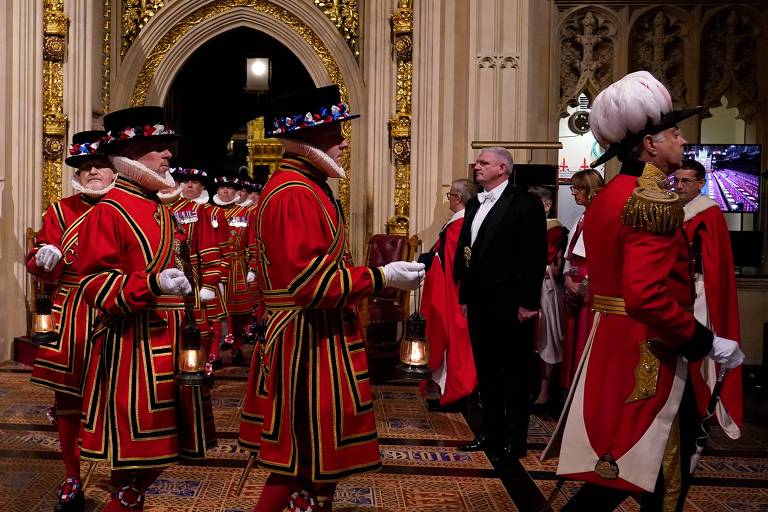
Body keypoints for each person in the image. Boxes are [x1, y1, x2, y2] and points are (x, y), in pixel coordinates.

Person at [542, 71, 744, 512]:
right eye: (673, 132)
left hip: (610, 344)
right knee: (663, 472)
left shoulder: (612, 193)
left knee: (619, 470)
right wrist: (706, 341)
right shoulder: (651, 200)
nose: (682, 140)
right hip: (647, 352)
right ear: (650, 144)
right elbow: (646, 296)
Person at [238, 85, 424, 511]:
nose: (343, 142)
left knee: (315, 460)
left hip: (317, 336)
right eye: (335, 132)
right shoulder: (295, 193)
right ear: (310, 138)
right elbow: (310, 283)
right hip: (305, 341)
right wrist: (381, 276)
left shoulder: (307, 186)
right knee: (300, 455)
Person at [76, 106, 215, 510]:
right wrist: (151, 284)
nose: (168, 154)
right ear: (132, 151)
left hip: (171, 345)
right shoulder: (110, 210)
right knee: (135, 460)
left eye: (167, 145)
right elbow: (94, 286)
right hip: (132, 350)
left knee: (162, 454)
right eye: (158, 146)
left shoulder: (160, 208)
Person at [26, 130, 116, 512]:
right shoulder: (60, 211)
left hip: (116, 308)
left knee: (121, 398)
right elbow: (35, 260)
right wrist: (42, 259)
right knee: (67, 399)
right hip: (71, 309)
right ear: (77, 174)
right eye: (85, 167)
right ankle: (72, 475)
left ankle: (124, 477)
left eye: (100, 165)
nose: (93, 171)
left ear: (115, 171)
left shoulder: (129, 208)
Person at [454, 147, 547, 463]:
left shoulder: (526, 202)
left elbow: (534, 255)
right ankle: (490, 432)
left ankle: (516, 438)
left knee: (515, 372)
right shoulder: (472, 205)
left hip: (511, 303)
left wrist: (528, 303)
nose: (477, 167)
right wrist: (465, 296)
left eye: (483, 163)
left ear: (503, 168)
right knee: (487, 371)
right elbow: (467, 252)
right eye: (477, 162)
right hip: (480, 303)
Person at [674, 159, 743, 439]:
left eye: (686, 181)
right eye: (676, 181)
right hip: (677, 291)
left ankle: (700, 408)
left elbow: (715, 262)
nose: (679, 186)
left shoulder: (709, 213)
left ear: (701, 183)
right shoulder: (675, 210)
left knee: (696, 346)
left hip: (701, 292)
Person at [160, 167, 227, 374]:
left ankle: (198, 365)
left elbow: (209, 248)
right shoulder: (149, 206)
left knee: (196, 328)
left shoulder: (196, 210)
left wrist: (209, 283)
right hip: (159, 282)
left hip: (191, 280)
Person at [420, 178, 478, 409]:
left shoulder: (459, 225)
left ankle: (455, 393)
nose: (449, 199)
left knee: (453, 341)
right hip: (447, 290)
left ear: (459, 198)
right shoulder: (458, 222)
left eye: (451, 195)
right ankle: (448, 392)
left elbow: (453, 263)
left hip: (451, 295)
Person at [178, 167, 230, 365]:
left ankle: (209, 356)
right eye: (186, 181)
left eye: (194, 182)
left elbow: (220, 245)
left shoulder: (211, 211)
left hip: (203, 272)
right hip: (178, 275)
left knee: (210, 317)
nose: (189, 185)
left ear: (202, 187)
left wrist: (219, 274)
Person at [559, 169, 604, 390]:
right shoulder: (581, 217)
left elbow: (601, 259)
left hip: (589, 289)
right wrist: (568, 279)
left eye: (576, 188)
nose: (573, 193)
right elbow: (571, 255)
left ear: (589, 189)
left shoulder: (601, 217)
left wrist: (581, 286)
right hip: (575, 285)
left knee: (586, 340)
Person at [528, 185, 568, 411]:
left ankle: (544, 392)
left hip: (546, 289)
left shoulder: (555, 229)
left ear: (547, 205)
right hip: (526, 286)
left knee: (547, 339)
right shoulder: (523, 226)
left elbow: (554, 265)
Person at [211, 173, 257, 364]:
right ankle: (212, 354)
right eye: (222, 188)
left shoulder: (245, 213)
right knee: (212, 313)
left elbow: (252, 241)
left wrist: (252, 267)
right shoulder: (208, 212)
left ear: (235, 191)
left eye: (229, 188)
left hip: (238, 266)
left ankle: (237, 345)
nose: (225, 190)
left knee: (239, 312)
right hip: (214, 266)